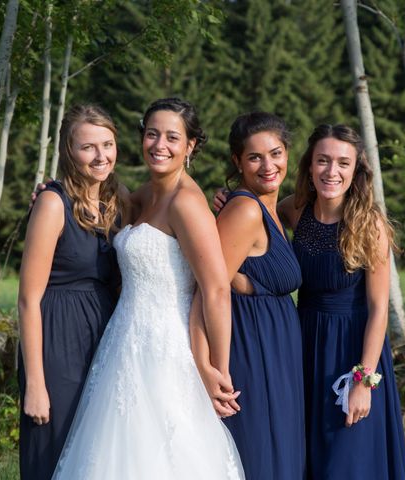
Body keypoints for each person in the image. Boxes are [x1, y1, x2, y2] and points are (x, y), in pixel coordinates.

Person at [52, 98, 244, 479]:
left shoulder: (187, 202)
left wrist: (215, 369)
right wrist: (52, 192)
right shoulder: (142, 195)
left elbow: (216, 290)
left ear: (190, 146)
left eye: (173, 137)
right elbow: (90, 197)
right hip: (123, 343)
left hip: (168, 348)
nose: (160, 144)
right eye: (152, 134)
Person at [279, 124, 405, 479]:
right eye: (322, 160)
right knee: (309, 454)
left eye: (342, 163)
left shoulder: (370, 225)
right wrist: (228, 200)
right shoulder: (296, 210)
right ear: (309, 166)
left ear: (356, 170)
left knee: (346, 457)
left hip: (352, 347)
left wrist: (364, 380)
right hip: (304, 343)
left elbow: (379, 308)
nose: (331, 171)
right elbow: (257, 213)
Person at [18, 104, 131, 479]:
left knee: (94, 450)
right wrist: (35, 382)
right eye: (88, 147)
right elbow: (27, 299)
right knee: (53, 446)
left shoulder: (118, 201)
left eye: (108, 144)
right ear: (70, 151)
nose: (101, 156)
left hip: (103, 334)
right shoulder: (53, 203)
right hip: (58, 338)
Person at [197, 112, 306, 479]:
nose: (268, 165)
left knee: (280, 452)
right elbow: (207, 290)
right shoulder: (244, 209)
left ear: (288, 153)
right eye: (254, 157)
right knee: (261, 455)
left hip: (277, 350)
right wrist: (208, 367)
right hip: (251, 348)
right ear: (237, 162)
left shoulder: (276, 209)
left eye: (275, 153)